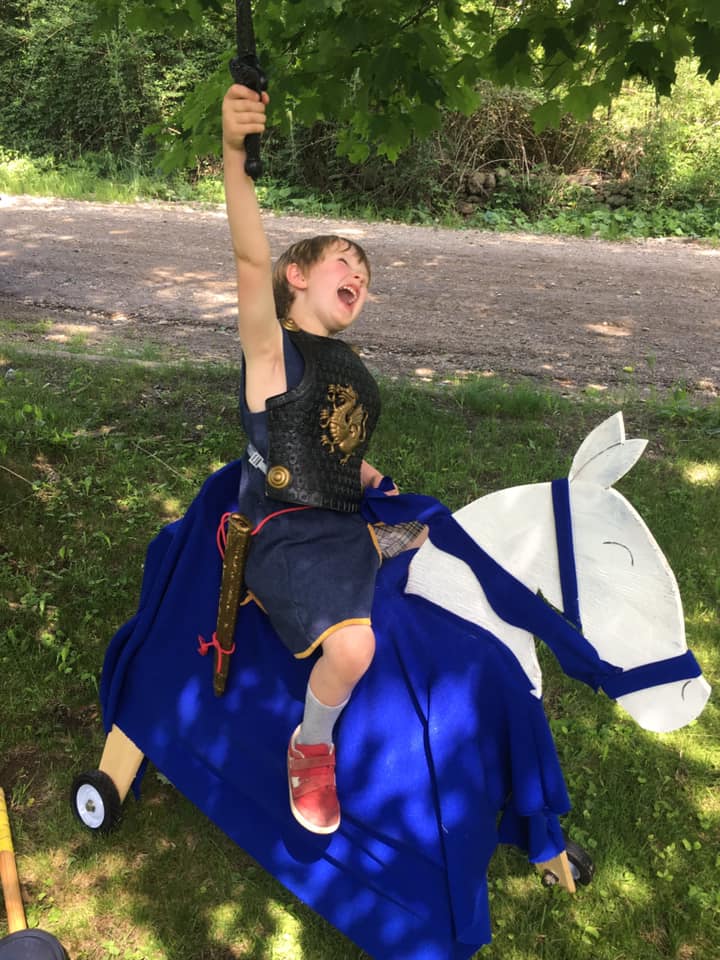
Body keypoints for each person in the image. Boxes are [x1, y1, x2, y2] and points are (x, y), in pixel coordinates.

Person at [222, 83, 425, 835]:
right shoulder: (273, 351)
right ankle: (312, 743)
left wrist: (371, 477)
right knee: (355, 645)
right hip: (286, 534)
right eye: (345, 262)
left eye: (365, 278)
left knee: (437, 544)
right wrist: (234, 154)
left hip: (343, 522)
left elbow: (335, 445)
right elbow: (250, 258)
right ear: (298, 276)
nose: (359, 277)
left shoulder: (347, 367)